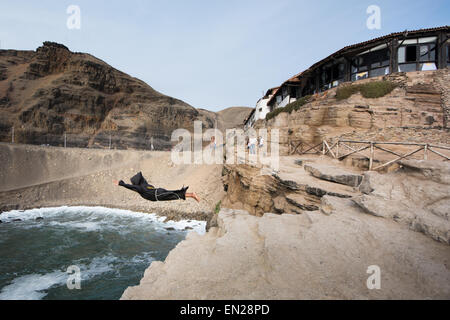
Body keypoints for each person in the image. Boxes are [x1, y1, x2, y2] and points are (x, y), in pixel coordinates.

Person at [113, 172, 200, 203]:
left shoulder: (141, 188)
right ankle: (191, 195)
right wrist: (122, 184)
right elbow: (133, 188)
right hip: (158, 195)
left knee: (174, 194)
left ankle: (192, 195)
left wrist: (121, 184)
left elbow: (131, 187)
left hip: (158, 195)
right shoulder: (144, 186)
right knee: (173, 195)